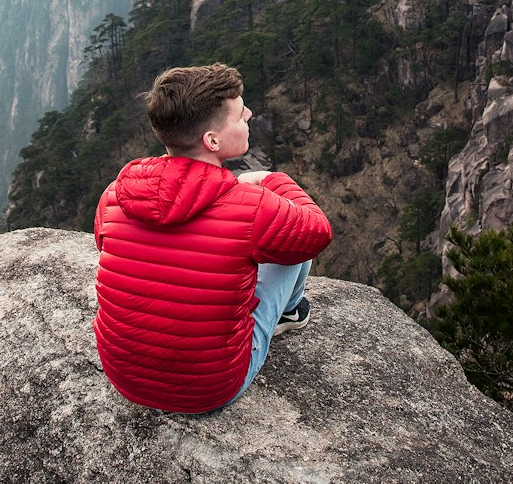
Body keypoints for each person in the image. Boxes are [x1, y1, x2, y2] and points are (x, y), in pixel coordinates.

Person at [92, 63, 333, 413]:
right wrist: (270, 179)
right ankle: (289, 313)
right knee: (291, 245)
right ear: (212, 140)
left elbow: (104, 244)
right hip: (209, 389)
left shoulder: (117, 192)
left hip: (125, 376)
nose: (249, 113)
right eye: (239, 113)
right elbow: (316, 232)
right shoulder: (251, 207)